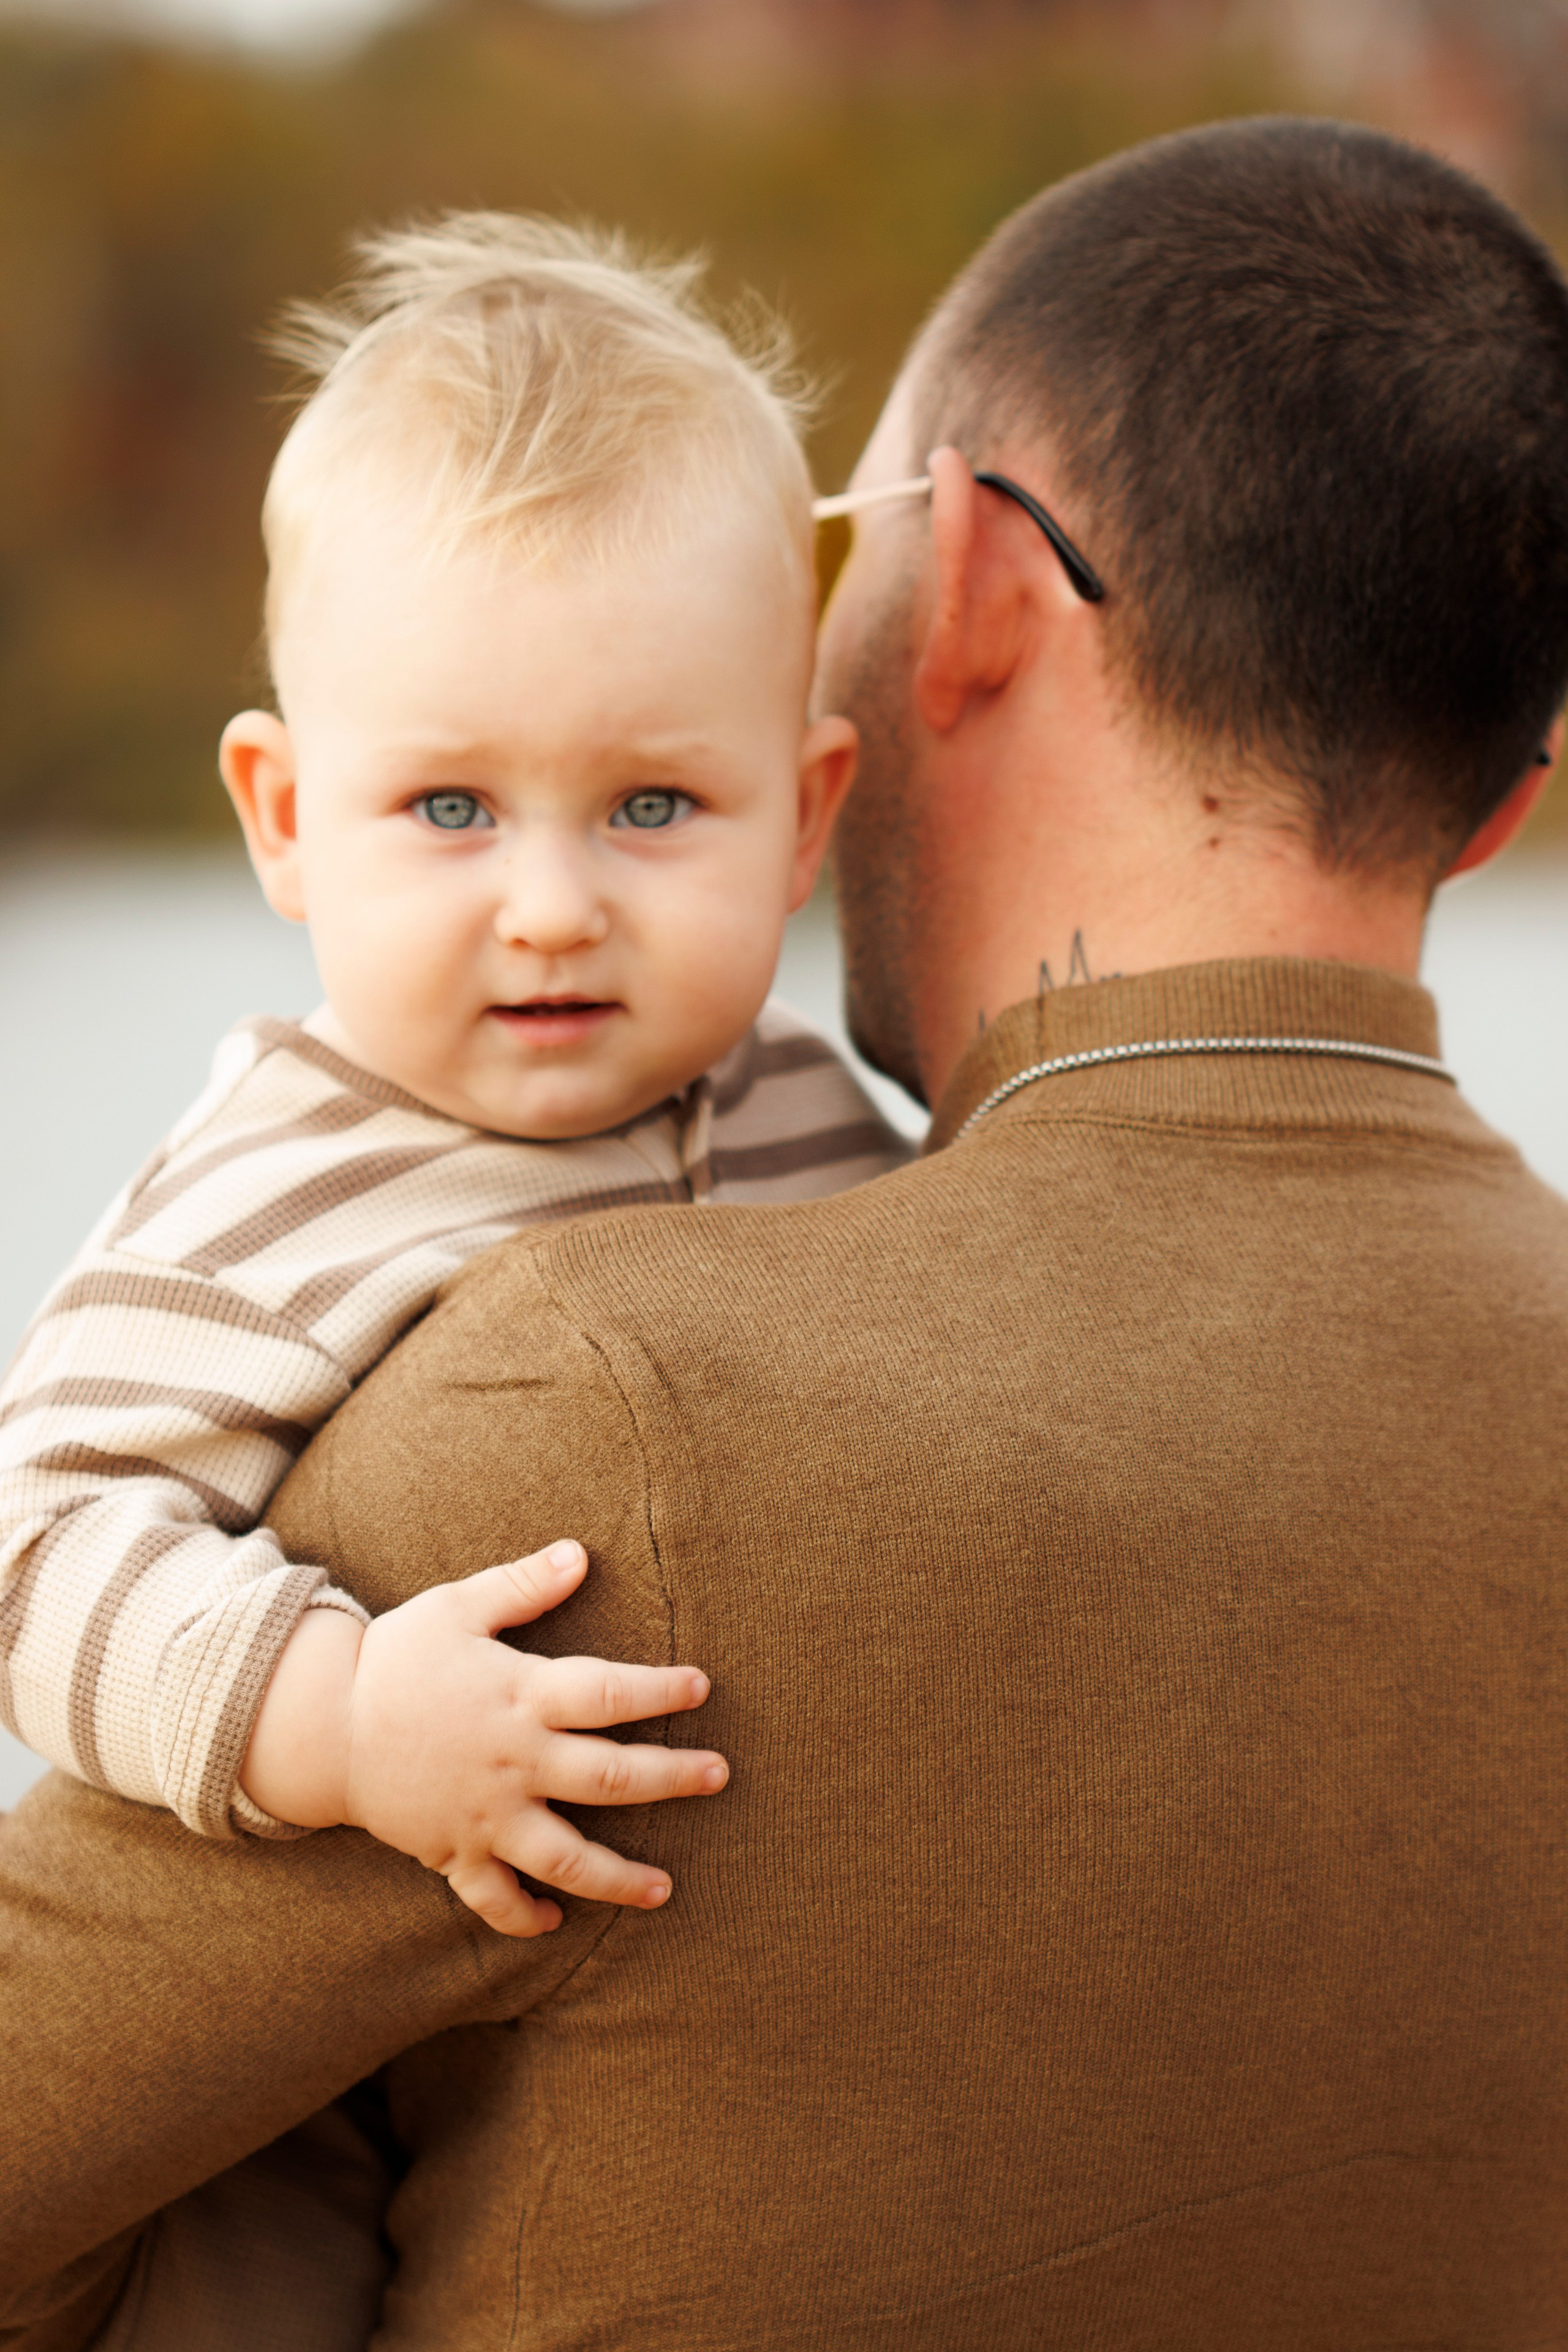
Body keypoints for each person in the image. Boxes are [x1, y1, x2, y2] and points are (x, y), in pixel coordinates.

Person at [6, 113, 1568, 2348]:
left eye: (857, 556)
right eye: (452, 801)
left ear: (991, 600)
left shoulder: (607, 1393)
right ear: (1510, 801)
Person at [0, 213, 906, 1940]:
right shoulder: (276, 1186)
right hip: (318, 2042)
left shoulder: (826, 1119)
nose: (553, 911)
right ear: (284, 821)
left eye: (653, 807)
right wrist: (338, 1719)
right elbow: (33, 1551)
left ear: (805, 815)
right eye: (450, 810)